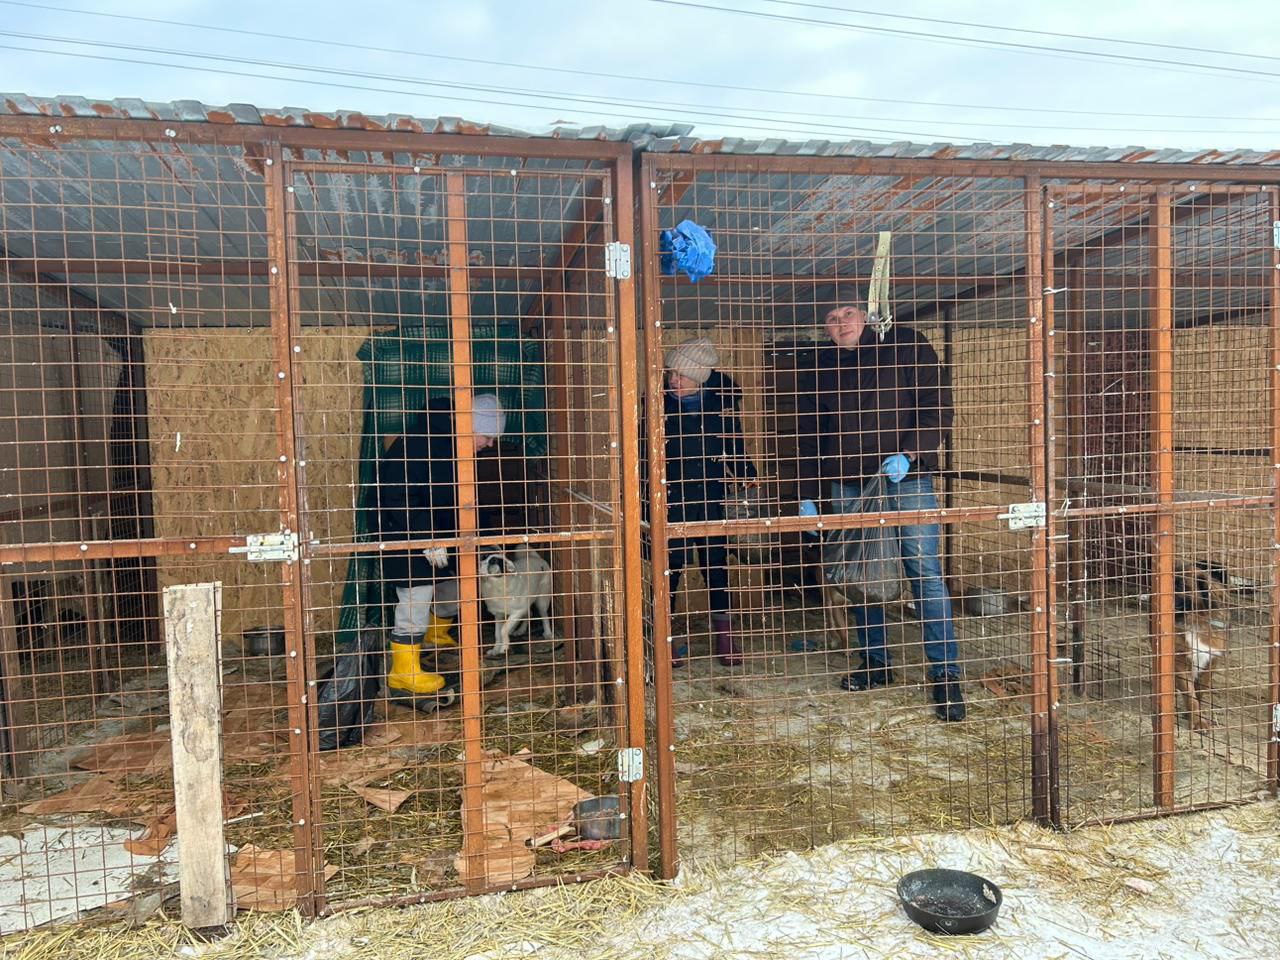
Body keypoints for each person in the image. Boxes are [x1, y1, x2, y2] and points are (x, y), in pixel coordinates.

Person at [797, 306, 966, 722]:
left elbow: (937, 405)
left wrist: (911, 452)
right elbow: (810, 433)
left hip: (906, 480)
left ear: (867, 314)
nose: (841, 323)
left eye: (848, 312)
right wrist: (807, 495)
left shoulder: (905, 344)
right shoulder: (820, 364)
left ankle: (945, 674)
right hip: (848, 483)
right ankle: (875, 662)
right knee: (863, 573)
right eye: (831, 317)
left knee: (923, 571)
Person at [374, 392, 506, 704]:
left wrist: (487, 538)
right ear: (471, 426)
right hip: (406, 533)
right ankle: (403, 672)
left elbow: (465, 499)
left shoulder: (458, 447)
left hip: (445, 537)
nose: (490, 445)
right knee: (415, 598)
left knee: (457, 584)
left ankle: (435, 636)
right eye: (487, 436)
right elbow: (397, 496)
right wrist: (427, 537)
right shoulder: (418, 443)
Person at [646, 338, 757, 667]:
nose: (674, 380)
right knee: (669, 569)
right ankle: (664, 639)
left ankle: (725, 637)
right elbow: (641, 450)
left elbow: (735, 446)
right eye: (671, 374)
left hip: (711, 498)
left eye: (682, 375)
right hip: (670, 499)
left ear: (699, 378)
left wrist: (749, 477)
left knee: (716, 567)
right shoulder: (657, 406)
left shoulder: (721, 407)